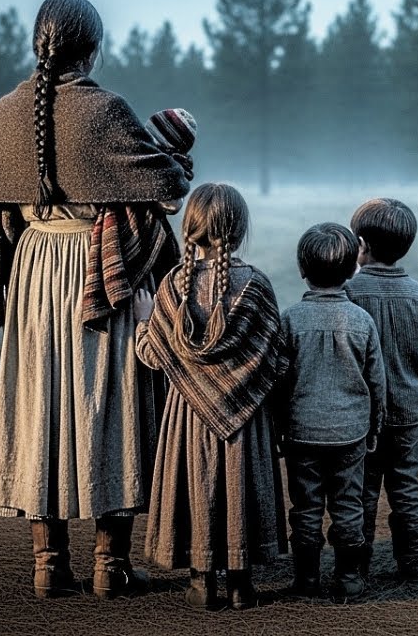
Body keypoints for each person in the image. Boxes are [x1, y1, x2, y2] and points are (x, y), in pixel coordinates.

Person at [0, 0, 192, 600]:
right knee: (112, 405)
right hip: (99, 278)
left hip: (32, 276)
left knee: (40, 407)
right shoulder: (107, 110)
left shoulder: (7, 110)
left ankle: (47, 565)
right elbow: (165, 195)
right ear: (93, 48)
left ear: (38, 44)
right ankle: (111, 566)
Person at [131, 183, 289, 611]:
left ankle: (201, 583)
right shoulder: (256, 286)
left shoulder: (170, 287)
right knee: (240, 490)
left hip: (188, 416)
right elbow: (277, 358)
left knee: (197, 489)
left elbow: (150, 356)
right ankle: (242, 586)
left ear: (191, 229)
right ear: (238, 231)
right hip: (246, 417)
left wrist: (145, 322)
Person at [273, 222, 386, 603]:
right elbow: (377, 384)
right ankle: (349, 578)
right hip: (350, 433)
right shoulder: (362, 321)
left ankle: (306, 580)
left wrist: (278, 429)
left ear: (302, 270)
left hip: (302, 433)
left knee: (305, 508)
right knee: (348, 504)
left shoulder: (289, 321)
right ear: (352, 269)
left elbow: (278, 381)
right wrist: (374, 428)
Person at [343, 198, 418, 581]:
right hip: (408, 412)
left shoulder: (349, 292)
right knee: (406, 488)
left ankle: (359, 565)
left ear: (361, 245)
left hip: (362, 415)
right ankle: (412, 564)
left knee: (363, 491)